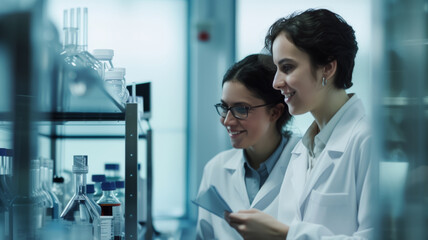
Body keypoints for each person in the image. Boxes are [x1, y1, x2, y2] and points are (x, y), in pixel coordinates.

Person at [226, 9, 375, 239]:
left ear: (328, 67)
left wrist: (284, 235)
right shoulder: (303, 150)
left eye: (287, 67)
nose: (276, 82)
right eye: (276, 69)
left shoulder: (367, 140)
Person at [196, 54, 301, 239]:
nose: (227, 121)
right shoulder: (216, 169)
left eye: (241, 109)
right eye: (224, 107)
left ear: (275, 112)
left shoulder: (306, 165)